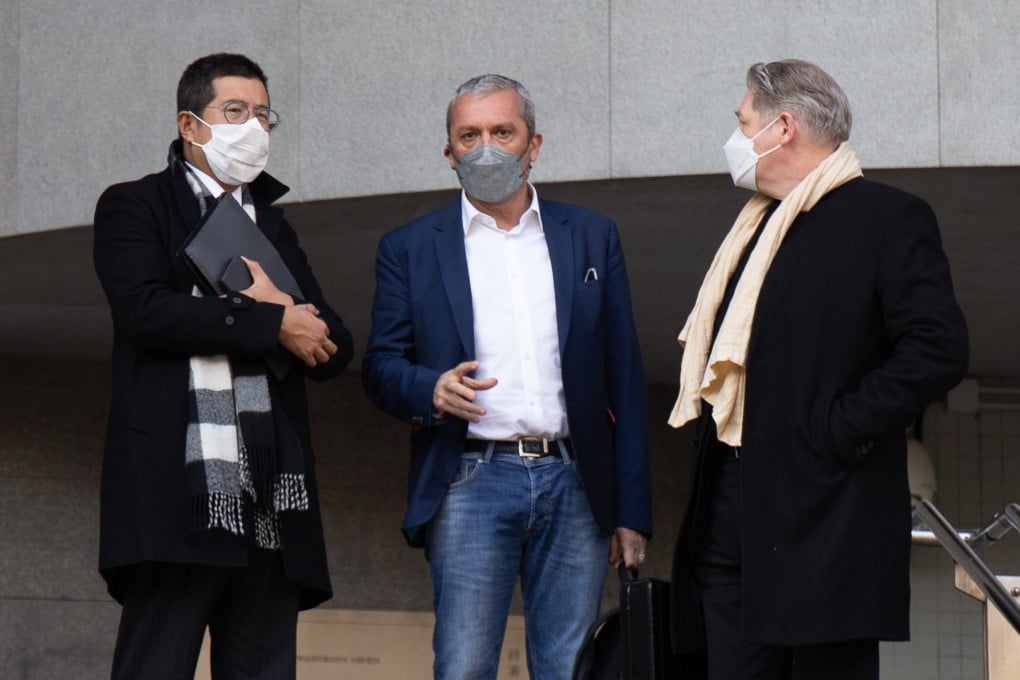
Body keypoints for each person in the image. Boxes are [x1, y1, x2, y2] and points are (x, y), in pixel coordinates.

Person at [666, 59, 969, 680]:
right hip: (732, 510)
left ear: (781, 128)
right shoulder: (754, 229)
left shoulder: (887, 218)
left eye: (742, 121)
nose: (734, 137)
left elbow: (937, 347)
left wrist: (834, 430)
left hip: (826, 514)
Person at [361, 74, 652, 680]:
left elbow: (624, 375)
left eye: (502, 131)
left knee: (569, 667)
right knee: (465, 666)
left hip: (575, 479)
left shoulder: (592, 235)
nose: (486, 146)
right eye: (469, 134)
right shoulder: (410, 247)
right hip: (469, 477)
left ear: (533, 144)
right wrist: (430, 389)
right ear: (449, 152)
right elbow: (381, 366)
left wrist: (633, 510)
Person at [92, 52, 353, 679]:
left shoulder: (273, 226)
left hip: (269, 502)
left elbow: (332, 347)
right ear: (191, 125)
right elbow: (145, 312)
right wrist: (269, 320)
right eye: (234, 112)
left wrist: (287, 314)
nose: (252, 128)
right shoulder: (135, 205)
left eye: (263, 115)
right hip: (178, 492)